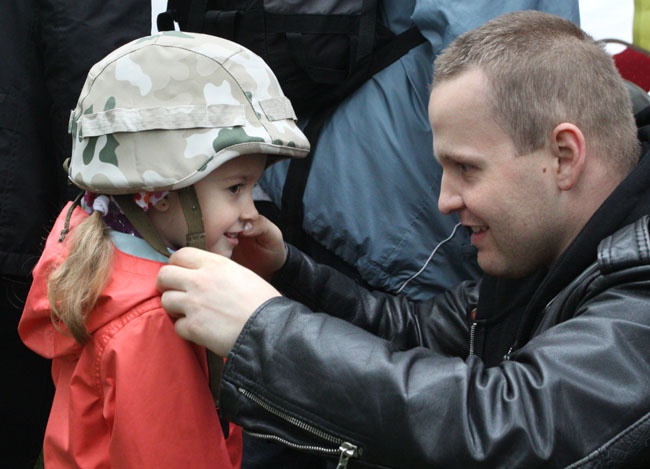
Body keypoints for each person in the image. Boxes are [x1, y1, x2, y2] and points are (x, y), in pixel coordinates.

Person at [156, 11, 650, 468]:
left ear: (564, 156)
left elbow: (509, 425)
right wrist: (287, 271)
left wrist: (265, 332)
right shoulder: (542, 250)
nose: (446, 200)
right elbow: (421, 333)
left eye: (465, 168)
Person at [18, 31, 309, 468]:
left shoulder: (89, 243)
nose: (251, 211)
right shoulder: (157, 322)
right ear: (161, 193)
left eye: (253, 187)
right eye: (235, 188)